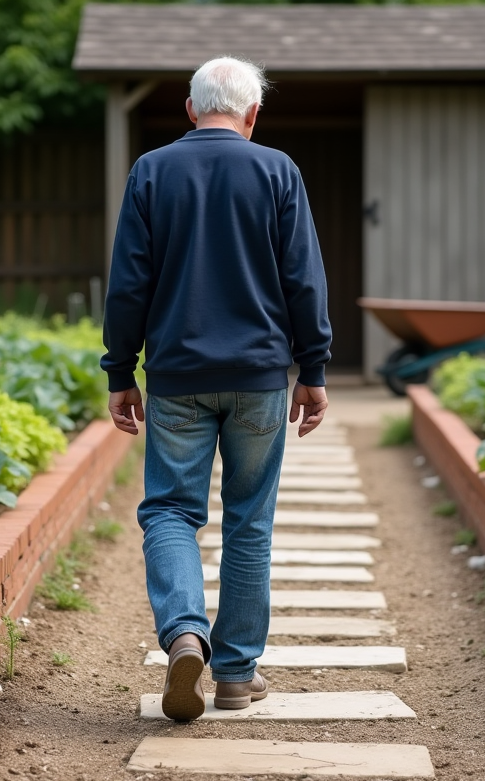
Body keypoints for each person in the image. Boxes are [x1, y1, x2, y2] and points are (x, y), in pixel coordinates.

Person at [101, 55, 332, 722]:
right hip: (260, 379)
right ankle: (234, 675)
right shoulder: (277, 170)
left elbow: (128, 284)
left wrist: (121, 370)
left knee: (170, 510)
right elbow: (304, 280)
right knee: (249, 521)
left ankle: (182, 634)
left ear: (190, 109)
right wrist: (312, 371)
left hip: (177, 380)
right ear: (253, 115)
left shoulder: (151, 171)